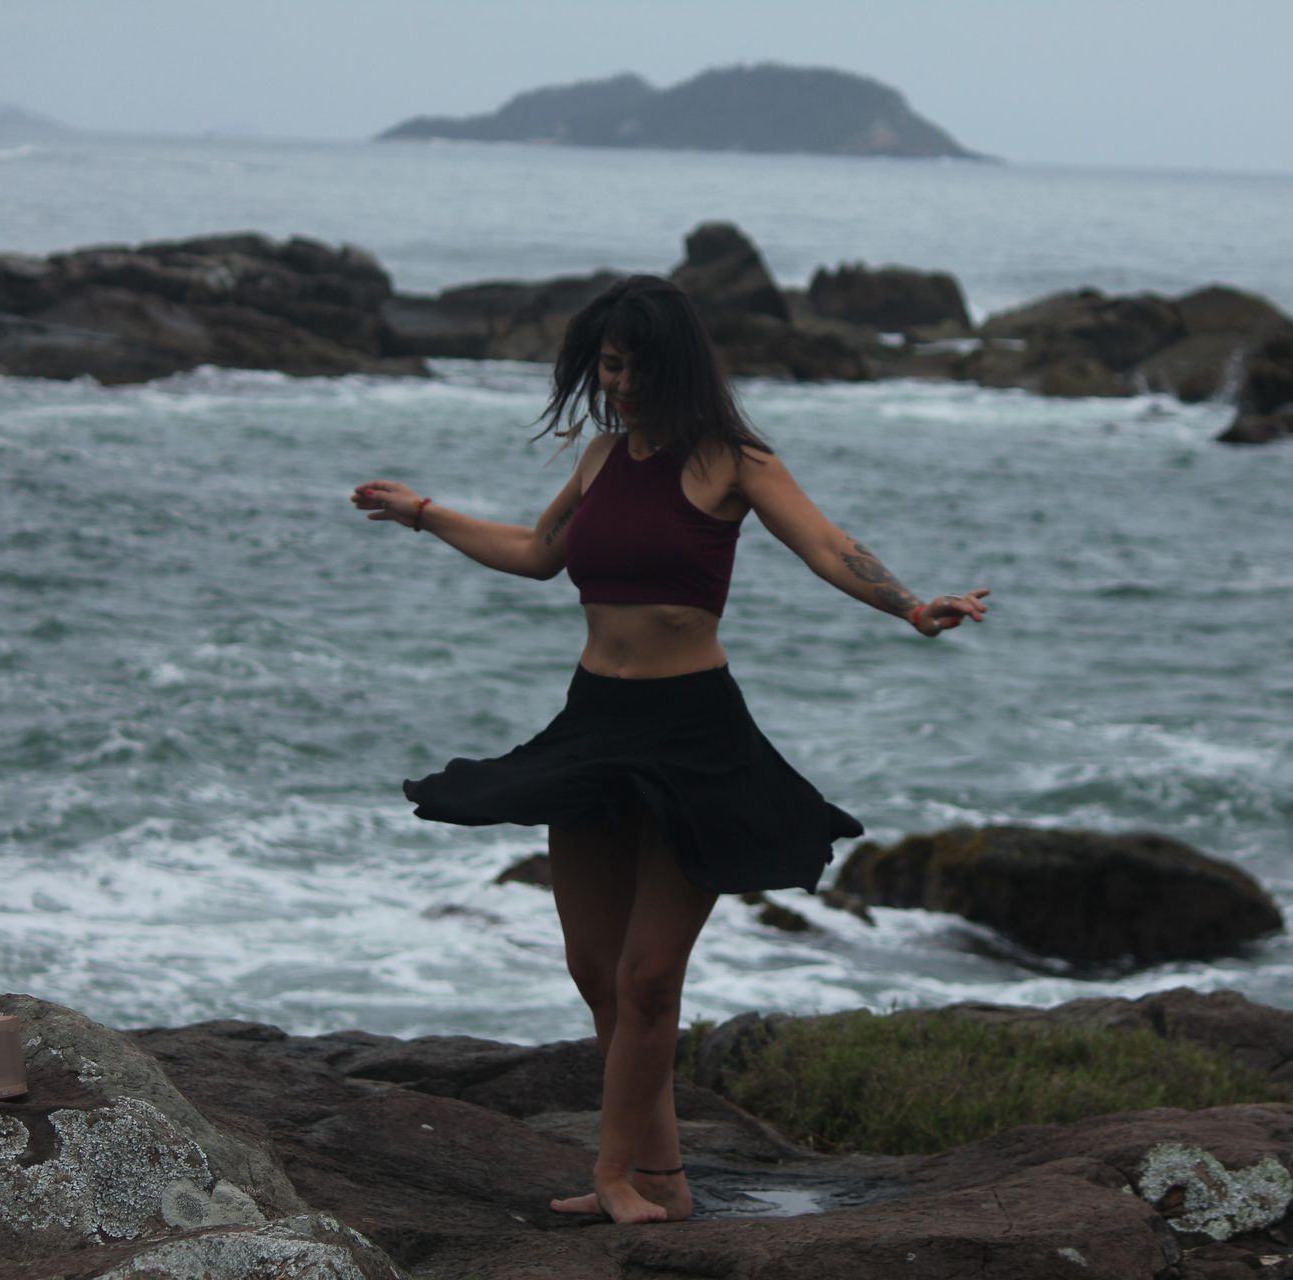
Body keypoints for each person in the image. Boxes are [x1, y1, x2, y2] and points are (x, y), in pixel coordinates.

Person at [351, 274, 988, 1225]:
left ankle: (613, 1175)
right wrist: (423, 513)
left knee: (650, 979)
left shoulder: (733, 460)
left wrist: (909, 605)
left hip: (694, 733)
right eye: (610, 365)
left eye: (639, 368)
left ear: (679, 366)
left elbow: (824, 543)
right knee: (593, 971)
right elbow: (536, 553)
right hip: (594, 725)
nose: (622, 384)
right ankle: (662, 1174)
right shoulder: (603, 456)